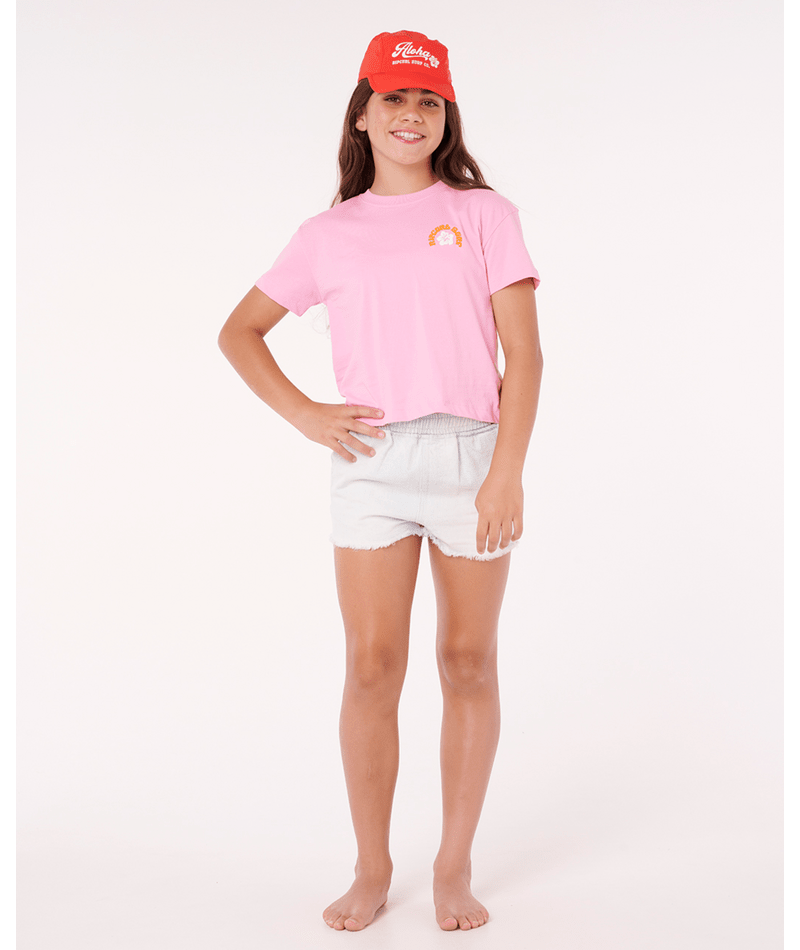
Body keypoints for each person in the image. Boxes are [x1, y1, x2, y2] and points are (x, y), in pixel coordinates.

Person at [218, 29, 543, 933]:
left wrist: (506, 472)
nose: (411, 114)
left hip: (473, 455)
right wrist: (307, 414)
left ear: (446, 117)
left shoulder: (484, 214)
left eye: (428, 100)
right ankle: (372, 866)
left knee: (468, 661)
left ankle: (454, 864)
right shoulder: (326, 235)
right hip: (371, 465)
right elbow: (239, 331)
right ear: (362, 114)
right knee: (372, 666)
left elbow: (524, 354)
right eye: (394, 97)